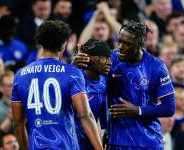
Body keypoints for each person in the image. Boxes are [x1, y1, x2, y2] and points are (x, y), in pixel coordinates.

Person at [73, 20, 175, 149]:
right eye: (119, 41)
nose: (120, 46)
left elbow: (169, 108)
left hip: (149, 141)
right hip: (118, 141)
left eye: (127, 44)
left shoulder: (157, 67)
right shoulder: (112, 60)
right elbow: (101, 93)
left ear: (140, 42)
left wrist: (138, 110)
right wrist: (75, 66)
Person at [10, 20, 103, 150]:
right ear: (63, 45)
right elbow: (85, 115)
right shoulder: (72, 72)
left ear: (41, 43)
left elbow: (18, 124)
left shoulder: (20, 75)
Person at [74, 39, 111, 150]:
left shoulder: (104, 80)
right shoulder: (75, 79)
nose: (109, 62)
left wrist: (105, 129)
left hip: (90, 142)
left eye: (109, 57)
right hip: (70, 142)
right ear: (87, 58)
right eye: (103, 58)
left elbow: (103, 105)